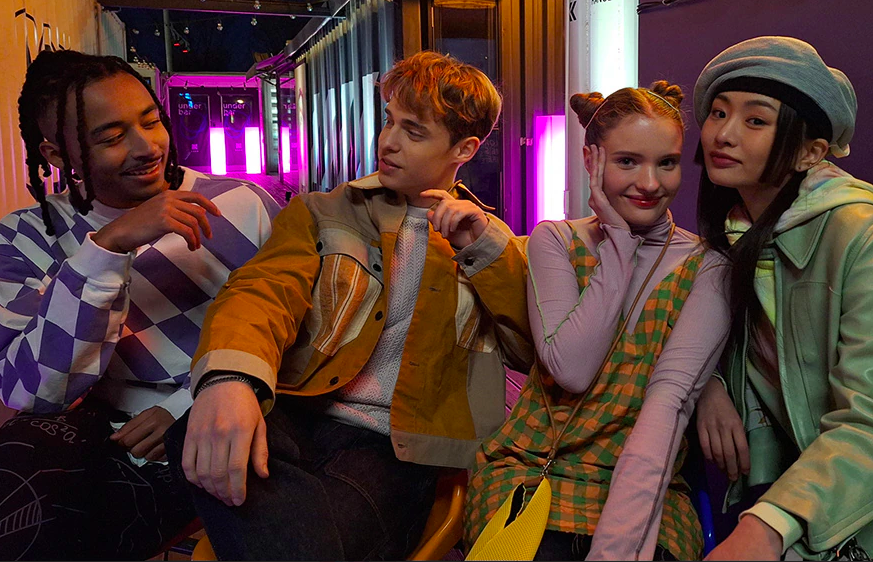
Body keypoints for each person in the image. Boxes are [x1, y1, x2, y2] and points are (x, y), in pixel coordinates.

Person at [165, 50, 533, 561]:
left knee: (301, 538)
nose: (388, 141)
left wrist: (484, 250)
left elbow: (526, 350)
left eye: (413, 131)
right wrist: (229, 378)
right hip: (298, 411)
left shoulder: (493, 244)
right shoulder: (322, 211)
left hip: (392, 446)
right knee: (198, 428)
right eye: (389, 121)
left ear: (464, 148)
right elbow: (262, 291)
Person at [0, 49, 280, 560]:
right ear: (56, 154)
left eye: (151, 121)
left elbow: (310, 335)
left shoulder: (241, 204)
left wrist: (188, 407)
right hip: (111, 442)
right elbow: (34, 393)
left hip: (241, 421)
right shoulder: (24, 238)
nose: (146, 147)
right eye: (111, 137)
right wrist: (107, 247)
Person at [465, 81, 731, 561]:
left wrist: (713, 382)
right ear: (591, 161)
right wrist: (620, 246)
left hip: (647, 481)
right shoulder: (556, 241)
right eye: (627, 161)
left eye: (666, 163)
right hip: (536, 468)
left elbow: (671, 395)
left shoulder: (707, 266)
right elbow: (573, 369)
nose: (650, 183)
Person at [690, 36, 873, 560]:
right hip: (782, 485)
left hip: (844, 496)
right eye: (718, 112)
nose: (723, 133)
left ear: (809, 152)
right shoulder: (733, 235)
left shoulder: (859, 235)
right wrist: (710, 386)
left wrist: (767, 525)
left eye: (755, 120)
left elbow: (867, 420)